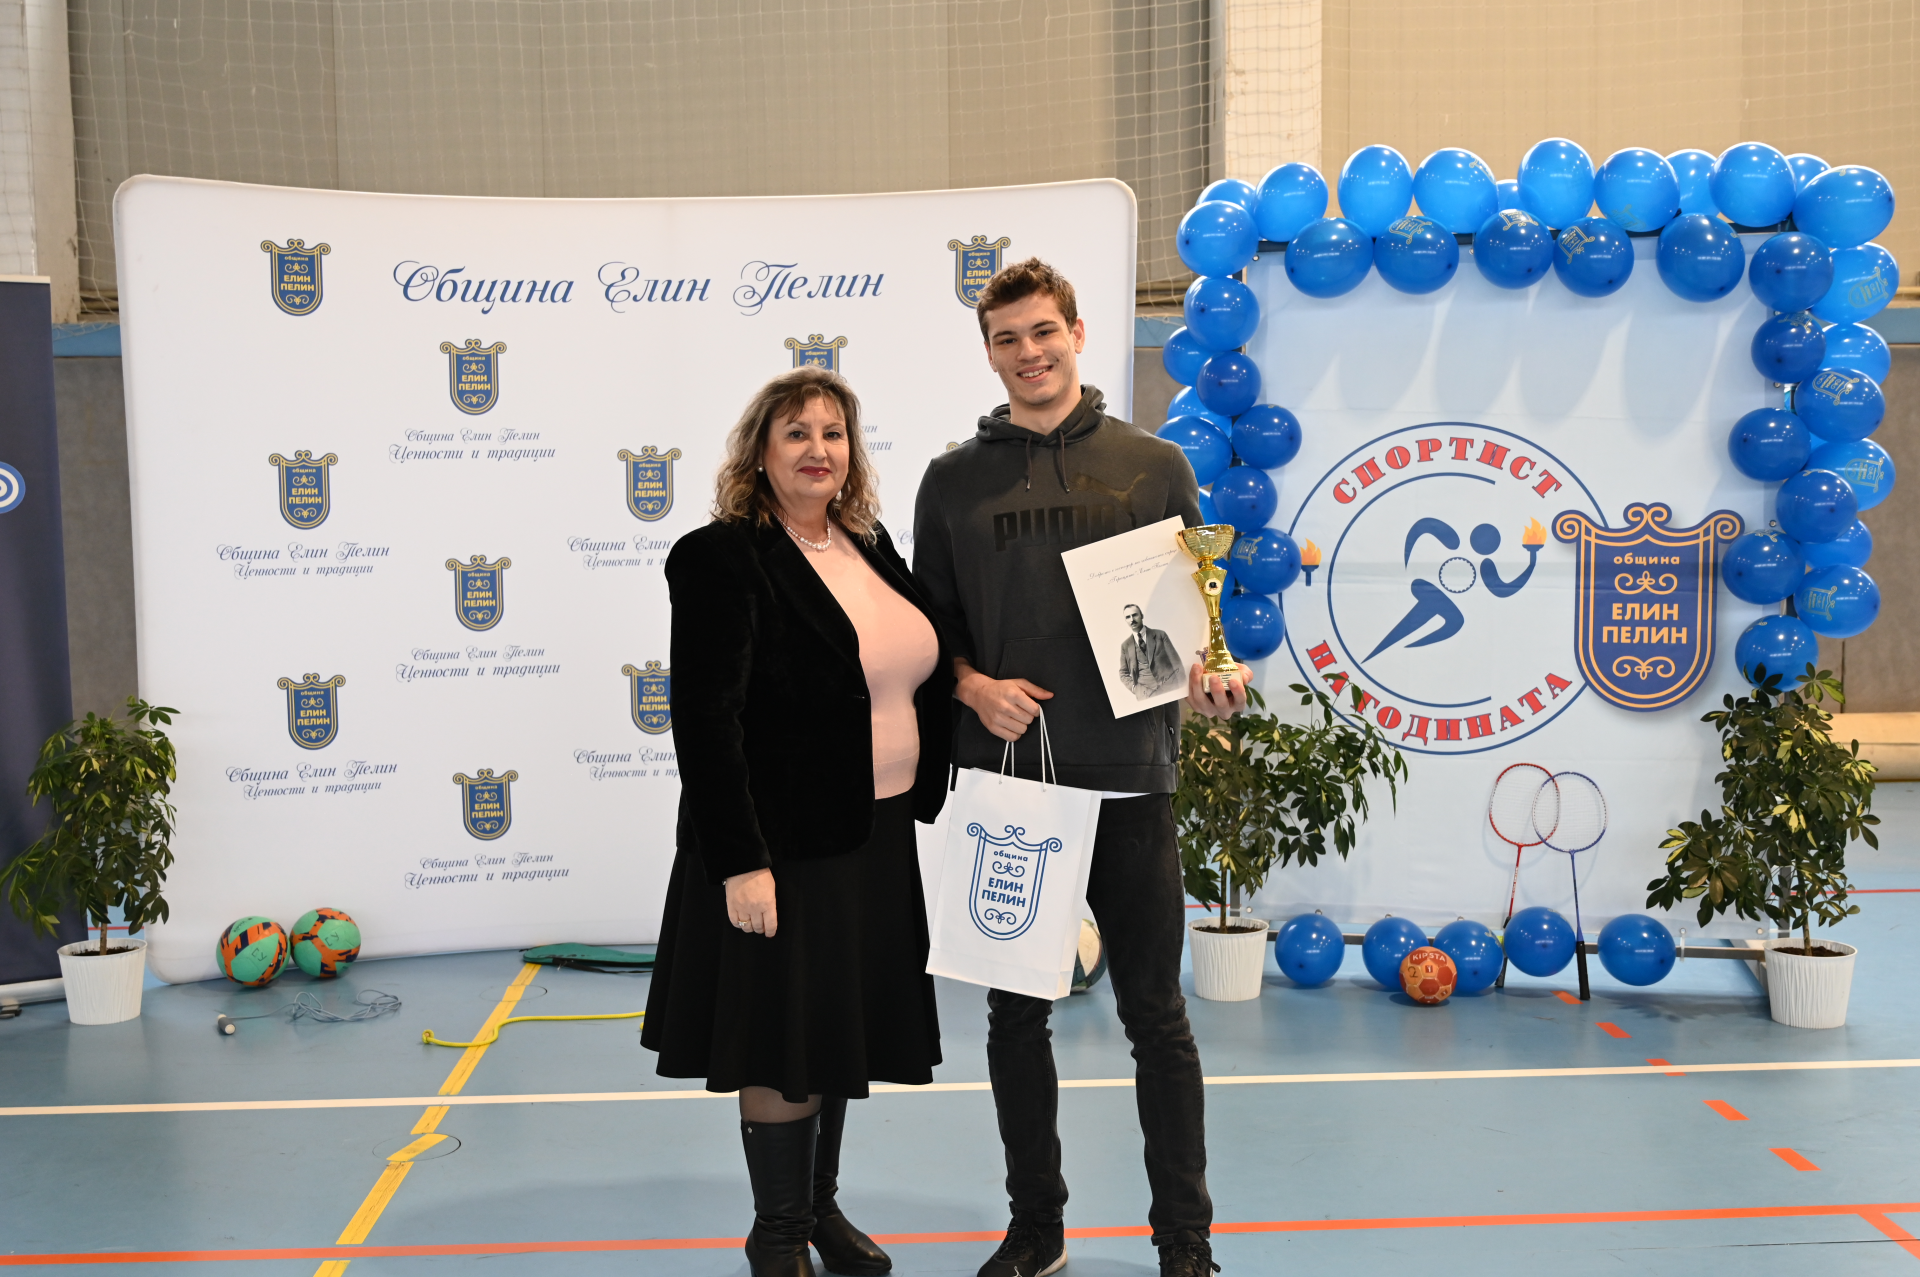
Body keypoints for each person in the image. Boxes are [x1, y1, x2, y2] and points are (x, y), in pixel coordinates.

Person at [911, 258, 1252, 1277]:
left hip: (1130, 779)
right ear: (989, 353)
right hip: (1009, 785)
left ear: (1078, 332)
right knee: (1016, 1019)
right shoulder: (951, 482)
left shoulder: (1154, 466)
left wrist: (1208, 677)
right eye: (1008, 338)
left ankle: (1185, 1240)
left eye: (1043, 331)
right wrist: (973, 687)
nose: (1029, 352)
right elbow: (933, 630)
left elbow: (1191, 621)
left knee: (1157, 1017)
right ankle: (1037, 1228)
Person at [643, 365, 953, 1277]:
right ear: (759, 452)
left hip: (873, 836)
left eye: (833, 433)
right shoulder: (722, 556)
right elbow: (706, 722)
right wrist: (741, 861)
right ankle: (776, 1234)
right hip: (781, 849)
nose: (819, 449)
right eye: (797, 433)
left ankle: (817, 1209)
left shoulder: (867, 544)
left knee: (832, 1032)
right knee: (784, 1042)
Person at [1118, 603, 1181, 699]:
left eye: (1134, 615)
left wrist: (1181, 687)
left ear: (1141, 616)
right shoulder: (1125, 645)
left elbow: (1176, 663)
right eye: (1128, 617)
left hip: (1169, 689)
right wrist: (1135, 688)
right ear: (1125, 620)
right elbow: (1123, 673)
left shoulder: (1160, 635)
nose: (1132, 620)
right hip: (1145, 696)